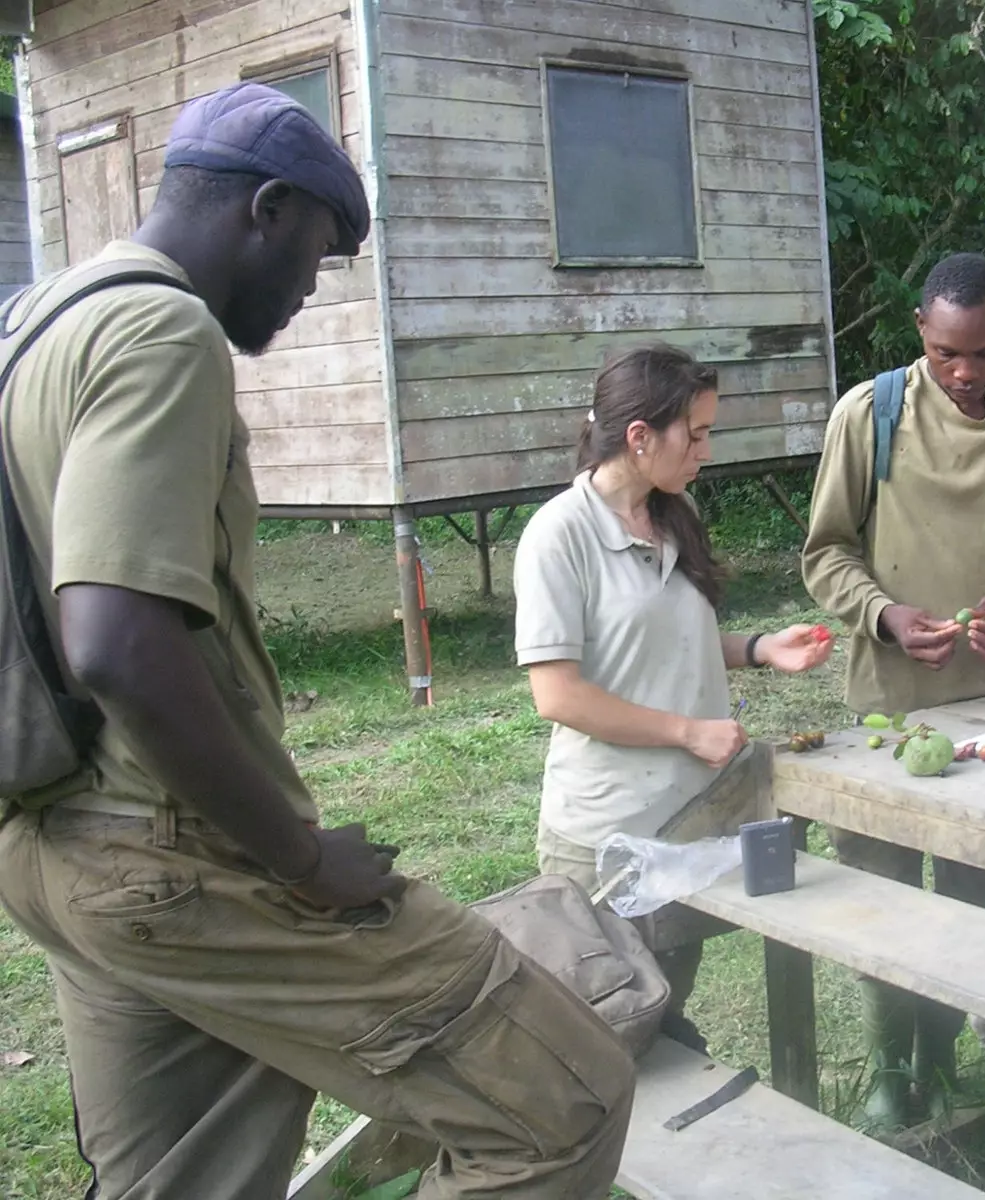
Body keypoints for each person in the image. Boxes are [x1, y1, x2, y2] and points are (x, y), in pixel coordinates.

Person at [0, 84, 636, 1199]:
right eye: (320, 252)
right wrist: (298, 862)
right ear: (269, 208)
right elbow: (113, 637)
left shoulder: (37, 323)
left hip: (50, 844)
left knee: (186, 1178)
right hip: (169, 855)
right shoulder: (161, 325)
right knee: (562, 1101)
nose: (310, 288)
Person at [801, 251, 985, 1124]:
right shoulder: (870, 415)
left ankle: (943, 1052)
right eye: (949, 353)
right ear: (920, 328)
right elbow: (825, 554)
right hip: (888, 712)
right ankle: (889, 1068)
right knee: (879, 897)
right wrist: (885, 615)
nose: (966, 374)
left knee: (970, 899)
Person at [512, 343, 833, 1026]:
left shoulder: (670, 519)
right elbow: (558, 695)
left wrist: (757, 649)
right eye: (697, 433)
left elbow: (659, 650)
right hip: (605, 838)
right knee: (605, 1036)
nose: (706, 451)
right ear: (639, 437)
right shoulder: (558, 537)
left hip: (686, 823)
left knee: (662, 1010)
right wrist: (688, 732)